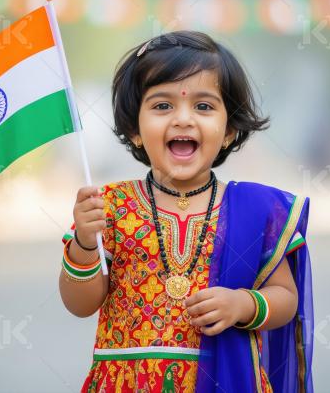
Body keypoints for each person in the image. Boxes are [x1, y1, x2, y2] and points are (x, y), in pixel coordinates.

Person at [59, 30, 313, 392]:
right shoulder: (109, 206)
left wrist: (242, 304)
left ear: (230, 130)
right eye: (162, 106)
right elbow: (80, 304)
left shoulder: (253, 210)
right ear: (134, 129)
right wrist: (85, 243)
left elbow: (286, 297)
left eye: (203, 106)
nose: (183, 119)